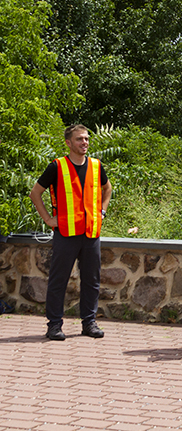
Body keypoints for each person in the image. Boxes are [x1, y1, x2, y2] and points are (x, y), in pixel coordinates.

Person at [29, 124, 113, 341]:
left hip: (90, 232)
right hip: (66, 233)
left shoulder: (96, 165)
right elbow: (35, 193)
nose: (84, 143)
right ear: (68, 143)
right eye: (79, 139)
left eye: (86, 139)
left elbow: (108, 188)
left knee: (91, 280)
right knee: (59, 280)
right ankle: (54, 325)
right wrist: (48, 219)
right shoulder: (57, 167)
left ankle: (89, 323)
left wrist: (102, 211)